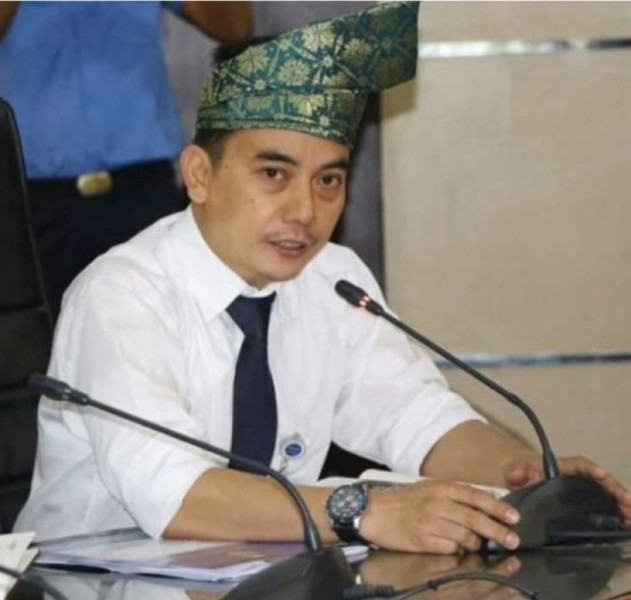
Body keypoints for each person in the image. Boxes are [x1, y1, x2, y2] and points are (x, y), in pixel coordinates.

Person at [15, 2, 631, 554]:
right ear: (199, 175)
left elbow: (414, 416)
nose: (306, 212)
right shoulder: (122, 296)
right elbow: (174, 496)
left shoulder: (333, 278)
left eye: (328, 180)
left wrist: (524, 474)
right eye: (274, 176)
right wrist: (364, 509)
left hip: (262, 579)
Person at [0, 1, 252, 320]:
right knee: (34, 341)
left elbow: (235, 26)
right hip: (31, 199)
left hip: (142, 191)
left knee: (162, 330)